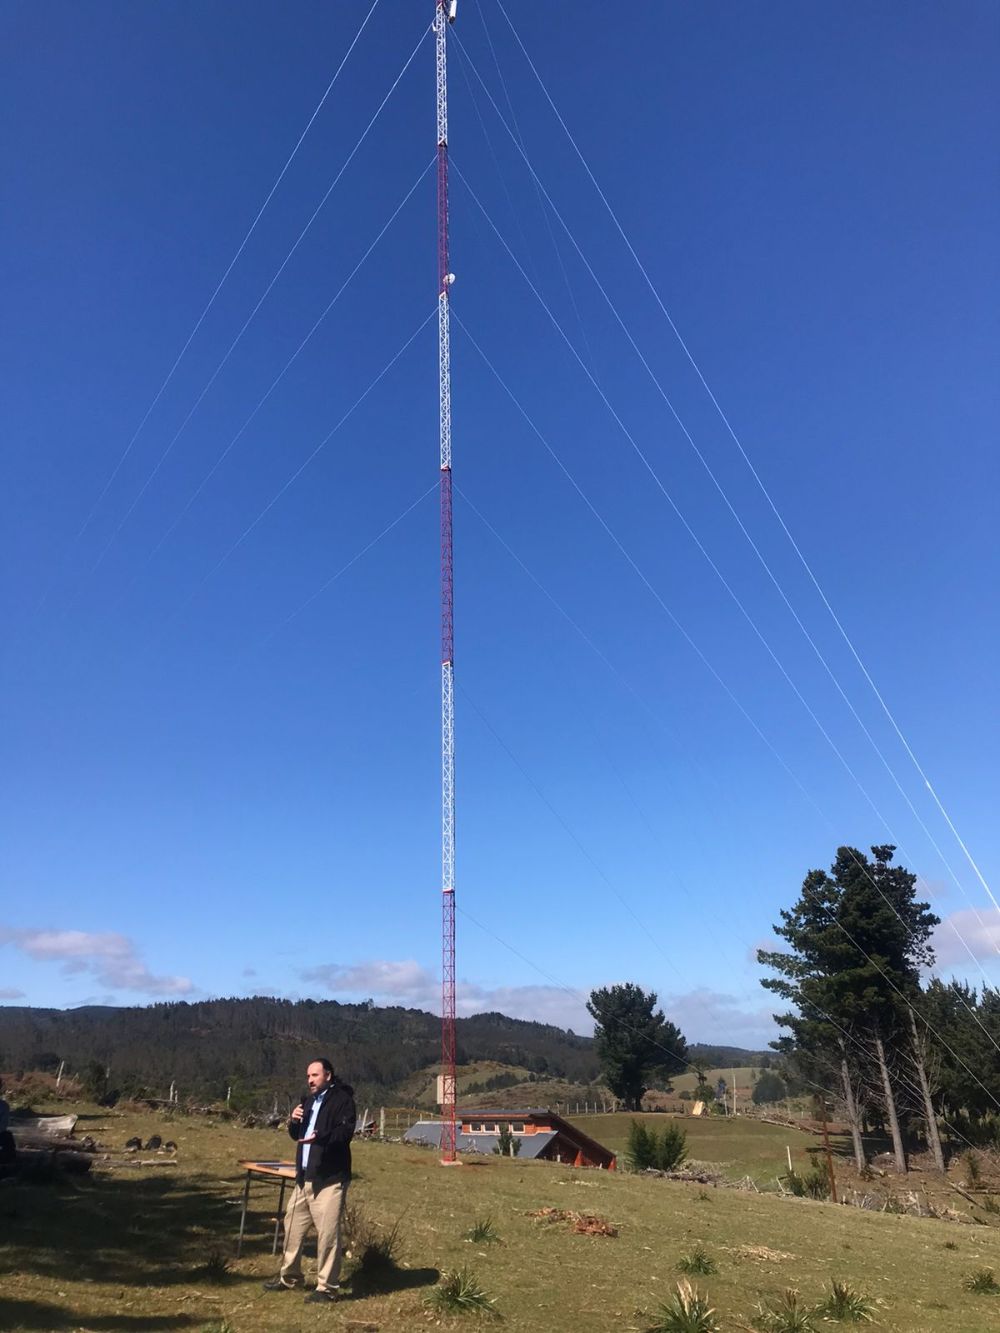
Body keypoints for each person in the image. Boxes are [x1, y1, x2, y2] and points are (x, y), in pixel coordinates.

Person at [264, 1058, 356, 1303]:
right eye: (308, 1076)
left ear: (328, 1075)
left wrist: (321, 1137)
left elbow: (345, 1133)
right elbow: (297, 1135)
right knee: (292, 1227)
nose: (310, 1080)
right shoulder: (307, 1101)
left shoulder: (343, 1100)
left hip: (329, 1179)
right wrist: (294, 1121)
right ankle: (290, 1278)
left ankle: (327, 1289)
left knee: (327, 1235)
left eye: (315, 1075)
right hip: (304, 1177)